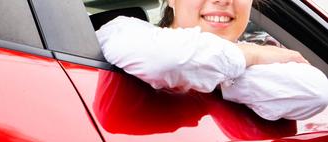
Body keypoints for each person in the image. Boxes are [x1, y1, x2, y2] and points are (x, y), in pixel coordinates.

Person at [96, 0, 328, 121]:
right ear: (172, 0)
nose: (223, 0)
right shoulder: (124, 29)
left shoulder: (268, 53)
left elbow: (315, 90)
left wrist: (211, 73)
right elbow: (168, 60)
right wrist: (251, 56)